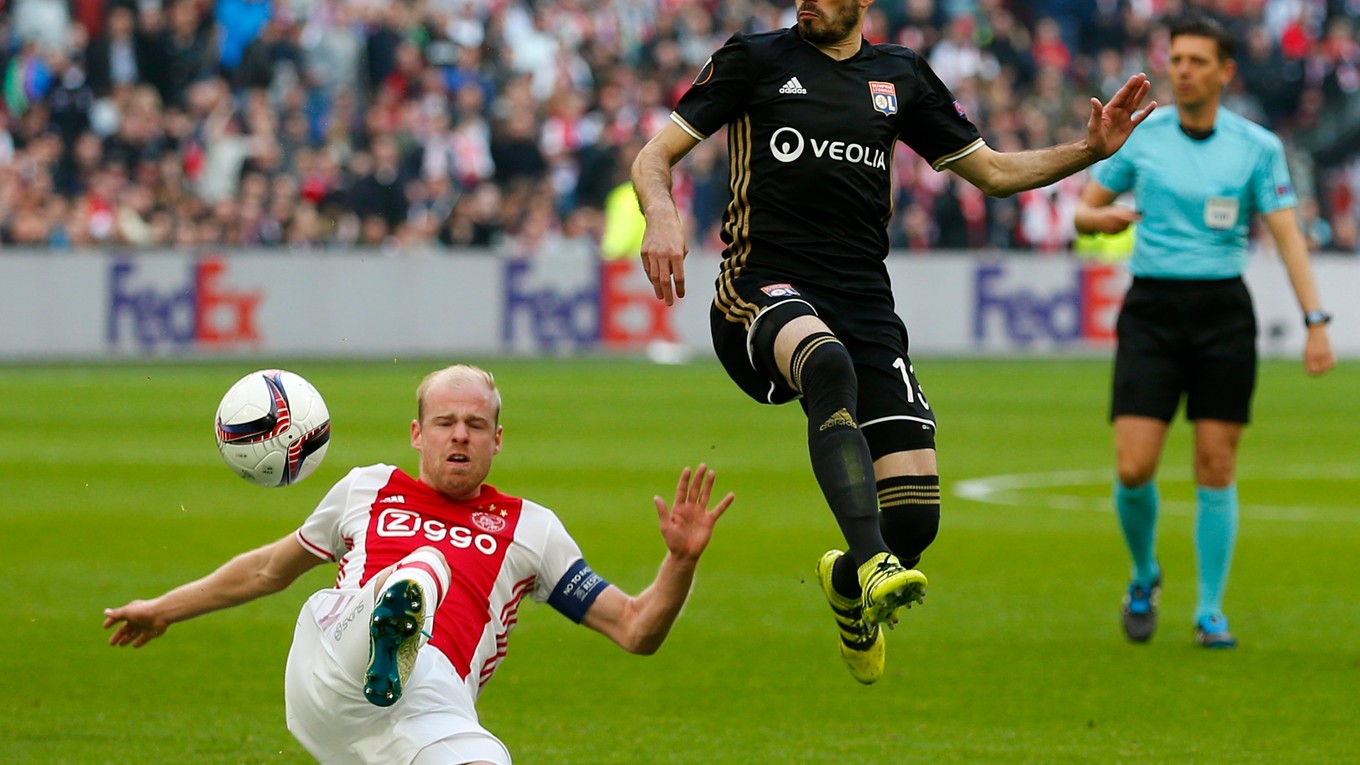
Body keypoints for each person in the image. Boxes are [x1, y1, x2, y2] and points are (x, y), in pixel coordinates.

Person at [631, 0, 1155, 684]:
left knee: (914, 519)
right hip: (759, 288)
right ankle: (874, 560)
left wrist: (1089, 150)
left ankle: (850, 581)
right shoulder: (755, 59)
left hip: (865, 303)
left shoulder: (900, 75)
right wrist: (662, 212)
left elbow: (993, 173)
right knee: (825, 361)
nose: (805, 1)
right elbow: (653, 156)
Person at [104, 364, 733, 764]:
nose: (459, 435)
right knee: (423, 567)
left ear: (497, 439)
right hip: (334, 662)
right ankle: (395, 619)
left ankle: (400, 630)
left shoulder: (531, 529)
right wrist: (162, 609)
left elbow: (635, 628)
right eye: (445, 422)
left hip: (429, 712)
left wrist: (679, 562)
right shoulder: (366, 487)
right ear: (417, 433)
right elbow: (269, 569)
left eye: (475, 424)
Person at [1074, 16, 1335, 650]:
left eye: (1197, 59)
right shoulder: (1141, 138)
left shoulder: (1256, 147)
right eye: (1177, 57)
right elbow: (1084, 206)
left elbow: (1288, 238)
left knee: (1216, 465)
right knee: (1134, 467)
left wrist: (1315, 321)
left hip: (1222, 313)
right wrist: (1100, 220)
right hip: (1153, 310)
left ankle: (1210, 610)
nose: (1183, 68)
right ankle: (1144, 574)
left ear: (1225, 72)